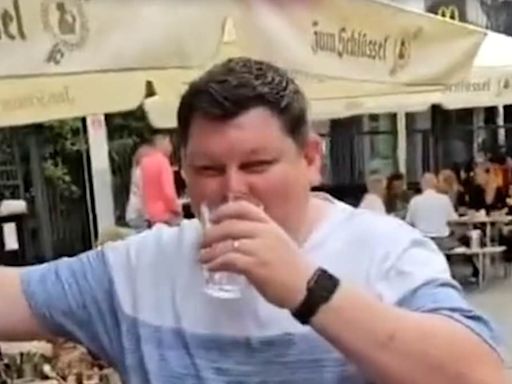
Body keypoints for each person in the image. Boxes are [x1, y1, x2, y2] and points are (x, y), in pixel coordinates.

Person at [0, 58, 506, 384]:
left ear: (311, 159)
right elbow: (16, 297)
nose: (232, 189)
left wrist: (308, 290)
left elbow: (481, 375)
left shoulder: (384, 252)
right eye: (208, 169)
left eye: (257, 165)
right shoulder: (143, 268)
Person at [406, 173, 459, 251]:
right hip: (442, 241)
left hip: (422, 242)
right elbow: (453, 219)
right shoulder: (444, 199)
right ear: (436, 184)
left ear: (421, 185)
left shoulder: (414, 201)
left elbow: (409, 222)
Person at [139, 132, 182, 226]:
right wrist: (177, 209)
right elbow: (168, 192)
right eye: (169, 143)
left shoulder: (145, 162)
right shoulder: (163, 162)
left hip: (151, 216)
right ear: (162, 142)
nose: (171, 147)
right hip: (165, 215)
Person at [125, 144, 152, 230]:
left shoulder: (136, 170)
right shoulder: (141, 172)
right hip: (138, 215)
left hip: (135, 214)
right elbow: (144, 194)